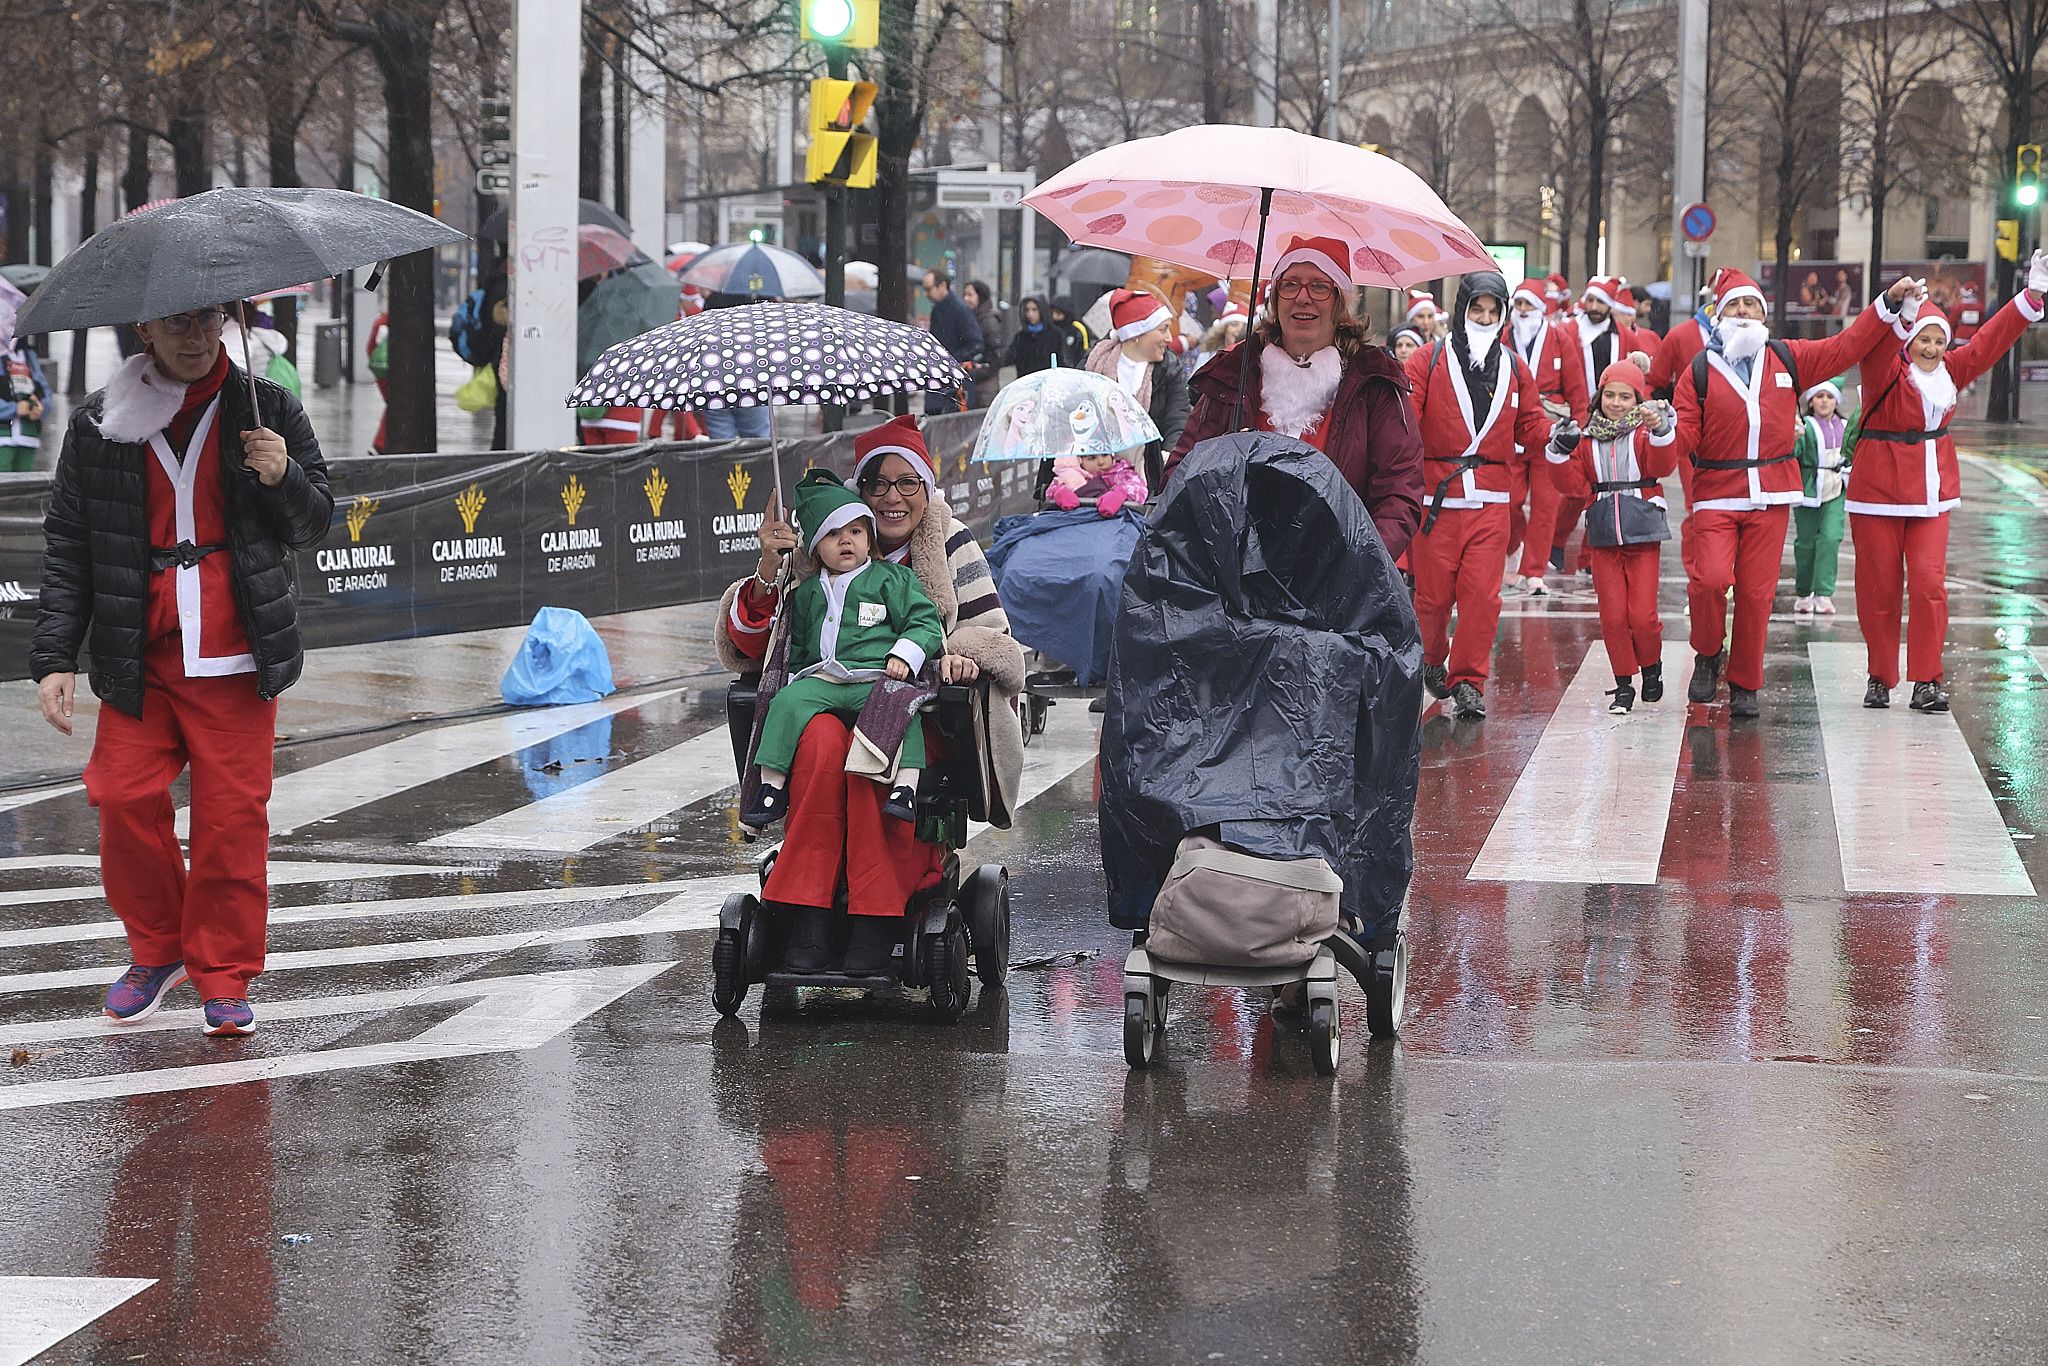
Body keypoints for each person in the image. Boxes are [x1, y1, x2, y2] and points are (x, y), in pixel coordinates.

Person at [31, 304, 334, 1037]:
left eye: (207, 323)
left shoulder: (268, 408)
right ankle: (159, 947)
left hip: (236, 652)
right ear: (144, 333)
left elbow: (316, 520)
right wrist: (53, 658)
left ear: (227, 323)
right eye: (177, 326)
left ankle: (224, 975)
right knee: (120, 796)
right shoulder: (101, 422)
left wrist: (283, 475)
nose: (196, 339)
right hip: (143, 651)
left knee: (232, 823)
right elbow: (71, 544)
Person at [716, 415, 1026, 962]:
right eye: (878, 483)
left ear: (926, 488)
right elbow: (750, 645)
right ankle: (807, 913)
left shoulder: (950, 542)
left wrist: (958, 656)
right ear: (859, 491)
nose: (893, 498)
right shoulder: (819, 546)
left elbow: (996, 638)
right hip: (828, 703)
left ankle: (875, 918)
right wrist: (771, 565)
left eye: (908, 483)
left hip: (919, 715)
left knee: (871, 749)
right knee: (820, 744)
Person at [1672, 266, 1916, 717]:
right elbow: (1684, 435)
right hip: (1716, 493)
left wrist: (1887, 304)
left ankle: (1745, 683)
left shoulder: (1786, 357)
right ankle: (1708, 653)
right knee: (1708, 580)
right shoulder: (1699, 371)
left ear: (1762, 314)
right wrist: (1665, 429)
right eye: (1734, 306)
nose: (1743, 312)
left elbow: (1846, 347)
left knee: (1757, 594)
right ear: (1718, 314)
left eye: (1751, 305)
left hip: (1772, 494)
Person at [1843, 253, 2048, 712]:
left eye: (1939, 340)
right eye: (1923, 339)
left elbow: (1990, 342)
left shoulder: (1953, 372)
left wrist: (2030, 296)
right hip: (1877, 493)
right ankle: (1880, 675)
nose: (1932, 348)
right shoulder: (1885, 372)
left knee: (1931, 584)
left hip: (1932, 492)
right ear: (1909, 341)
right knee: (1878, 590)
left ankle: (1927, 680)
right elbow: (1873, 346)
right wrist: (1902, 314)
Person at [1167, 233, 1424, 560]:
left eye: (1319, 286)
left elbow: (1400, 494)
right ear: (1275, 299)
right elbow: (1180, 474)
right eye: (1289, 285)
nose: (1303, 298)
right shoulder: (1235, 376)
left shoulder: (1375, 383)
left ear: (1340, 302)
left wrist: (1358, 564)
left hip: (1337, 581)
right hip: (1233, 581)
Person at [751, 470, 947, 849]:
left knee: (902, 706)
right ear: (815, 548)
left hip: (873, 676)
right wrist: (796, 679)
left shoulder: (891, 579)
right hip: (823, 679)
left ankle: (905, 787)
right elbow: (800, 645)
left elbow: (925, 621)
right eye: (833, 534)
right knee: (786, 703)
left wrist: (904, 655)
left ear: (868, 538)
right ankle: (770, 789)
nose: (846, 541)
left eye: (856, 532)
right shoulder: (806, 592)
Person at [1402, 269, 1549, 718]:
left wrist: (1559, 437)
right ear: (1462, 309)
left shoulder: (1515, 368)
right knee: (1431, 597)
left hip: (1491, 499)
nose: (1484, 318)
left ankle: (1469, 681)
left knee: (1482, 597)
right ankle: (1432, 657)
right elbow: (1407, 421)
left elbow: (1532, 426)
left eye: (1493, 311)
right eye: (1477, 309)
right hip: (1437, 502)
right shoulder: (1426, 360)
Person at [1545, 361, 1678, 714]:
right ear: (1599, 396)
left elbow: (1663, 466)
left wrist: (1663, 430)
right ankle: (1623, 684)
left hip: (1643, 529)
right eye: (1609, 395)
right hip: (1603, 531)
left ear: (1637, 398)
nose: (1616, 403)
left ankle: (1652, 668)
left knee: (1644, 616)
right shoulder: (1586, 439)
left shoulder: (1644, 434)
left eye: (1625, 396)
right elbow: (1572, 485)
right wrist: (1559, 450)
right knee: (1613, 617)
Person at [1506, 278, 1585, 595]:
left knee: (1545, 504)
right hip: (1510, 429)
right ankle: (1514, 546)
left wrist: (1578, 427)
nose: (1523, 311)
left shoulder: (1560, 338)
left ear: (1541, 308)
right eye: (1519, 304)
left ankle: (1534, 570)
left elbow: (1577, 387)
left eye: (1529, 305)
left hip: (1550, 430)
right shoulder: (1503, 338)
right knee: (1508, 501)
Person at [1086, 288, 1190, 491]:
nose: (1169, 338)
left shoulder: (1169, 369)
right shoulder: (1093, 366)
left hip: (1150, 477)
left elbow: (1178, 418)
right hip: (1095, 475)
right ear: (1136, 335)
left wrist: (1168, 454)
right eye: (1162, 329)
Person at [1791, 377, 1854, 618]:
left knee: (1831, 537)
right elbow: (1793, 452)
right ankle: (1804, 592)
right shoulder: (1805, 426)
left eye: (1829, 397)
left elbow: (1853, 452)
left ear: (1836, 400)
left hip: (1836, 489)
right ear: (1811, 401)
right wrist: (1794, 437)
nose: (1824, 401)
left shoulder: (1846, 425)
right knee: (1806, 542)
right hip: (1808, 490)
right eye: (1819, 397)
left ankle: (1824, 593)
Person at [922, 270, 981, 415]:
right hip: (941, 379)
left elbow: (975, 343)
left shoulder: (959, 310)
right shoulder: (939, 309)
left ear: (942, 286)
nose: (926, 294)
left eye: (929, 289)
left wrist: (950, 359)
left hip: (953, 383)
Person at [1047, 447, 1147, 516]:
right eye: (1092, 458)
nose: (1101, 462)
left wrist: (1120, 493)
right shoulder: (1072, 475)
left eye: (1105, 454)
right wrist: (1059, 492)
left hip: (1114, 521)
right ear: (1079, 460)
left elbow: (1139, 488)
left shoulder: (1122, 472)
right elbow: (1051, 489)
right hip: (1074, 519)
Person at [2, 334, 49, 472]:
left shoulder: (28, 355)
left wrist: (41, 405)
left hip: (28, 435)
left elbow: (44, 389)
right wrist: (13, 409)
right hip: (3, 436)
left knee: (23, 488)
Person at [962, 279, 1004, 408]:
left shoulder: (988, 321)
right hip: (975, 385)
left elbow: (998, 354)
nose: (966, 299)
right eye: (965, 295)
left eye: (970, 295)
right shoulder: (972, 318)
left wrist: (981, 371)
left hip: (986, 388)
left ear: (980, 296)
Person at [1005, 295, 1062, 375]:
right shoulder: (1021, 337)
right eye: (1027, 310)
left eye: (1034, 310)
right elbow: (1008, 358)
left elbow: (1063, 360)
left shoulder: (1055, 335)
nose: (1030, 314)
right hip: (1027, 383)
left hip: (1048, 382)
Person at [1194, 301, 1248, 373]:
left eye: (1244, 327)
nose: (1238, 330)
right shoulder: (1206, 356)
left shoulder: (1247, 361)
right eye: (1234, 324)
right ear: (1224, 329)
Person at [364, 309, 390, 454]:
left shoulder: (381, 321)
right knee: (394, 405)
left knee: (392, 405)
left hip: (381, 370)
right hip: (387, 370)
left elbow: (371, 348)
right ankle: (381, 443)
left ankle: (381, 442)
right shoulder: (386, 323)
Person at [1047, 300, 1091, 369]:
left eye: (1058, 313)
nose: (1054, 316)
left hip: (1073, 368)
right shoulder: (1050, 328)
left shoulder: (1077, 328)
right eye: (1052, 313)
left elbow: (1085, 350)